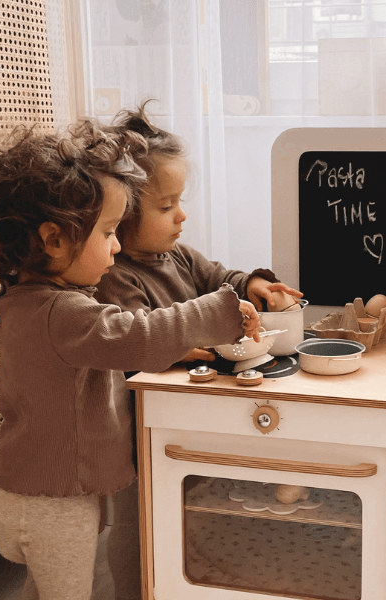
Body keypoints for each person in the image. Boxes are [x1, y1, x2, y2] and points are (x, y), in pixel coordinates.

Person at [0, 120, 260, 600]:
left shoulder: (24, 297)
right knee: (88, 589)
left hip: (22, 491)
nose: (118, 245)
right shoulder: (64, 313)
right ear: (54, 240)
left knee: (44, 590)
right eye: (109, 232)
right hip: (55, 505)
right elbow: (140, 338)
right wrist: (219, 310)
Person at [92, 101, 301, 600]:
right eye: (167, 207)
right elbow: (135, 341)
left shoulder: (177, 254)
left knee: (192, 507)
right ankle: (137, 588)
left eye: (179, 201)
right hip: (140, 431)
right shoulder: (117, 278)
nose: (181, 216)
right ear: (120, 218)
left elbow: (216, 279)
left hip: (190, 412)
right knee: (138, 523)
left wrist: (251, 285)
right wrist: (183, 347)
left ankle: (189, 576)